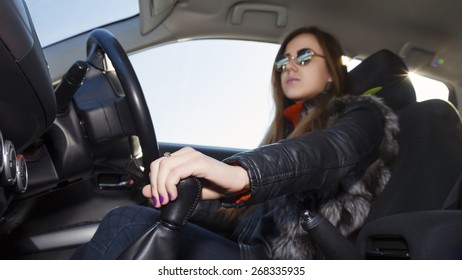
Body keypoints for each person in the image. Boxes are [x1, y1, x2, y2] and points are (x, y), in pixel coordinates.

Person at [72, 26, 399, 260]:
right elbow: (249, 219)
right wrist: (188, 194)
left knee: (125, 224)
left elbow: (334, 150)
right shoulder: (289, 131)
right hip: (255, 251)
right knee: (132, 218)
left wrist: (240, 174)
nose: (290, 66)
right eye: (283, 61)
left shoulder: (363, 112)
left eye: (304, 55)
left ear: (331, 71)